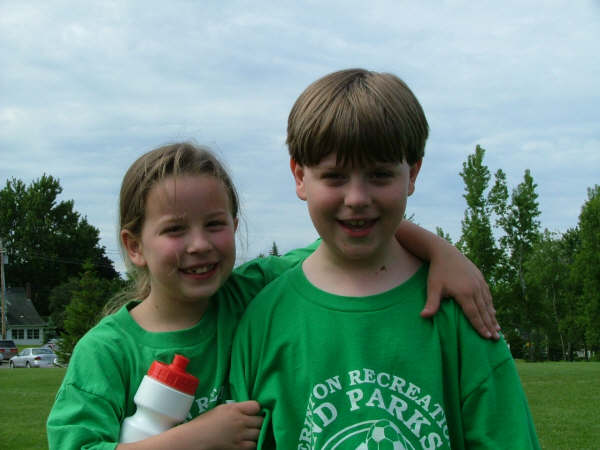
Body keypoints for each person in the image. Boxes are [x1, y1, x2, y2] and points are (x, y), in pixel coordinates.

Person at [47, 142, 497, 450]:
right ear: (134, 246)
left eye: (215, 224)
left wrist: (441, 251)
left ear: (235, 227)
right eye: (175, 229)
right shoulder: (106, 352)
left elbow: (347, 239)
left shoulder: (256, 292)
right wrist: (196, 438)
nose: (200, 244)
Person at [229, 69, 540, 449]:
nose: (357, 198)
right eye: (335, 177)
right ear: (299, 176)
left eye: (379, 175)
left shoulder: (460, 310)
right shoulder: (263, 315)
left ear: (413, 173)